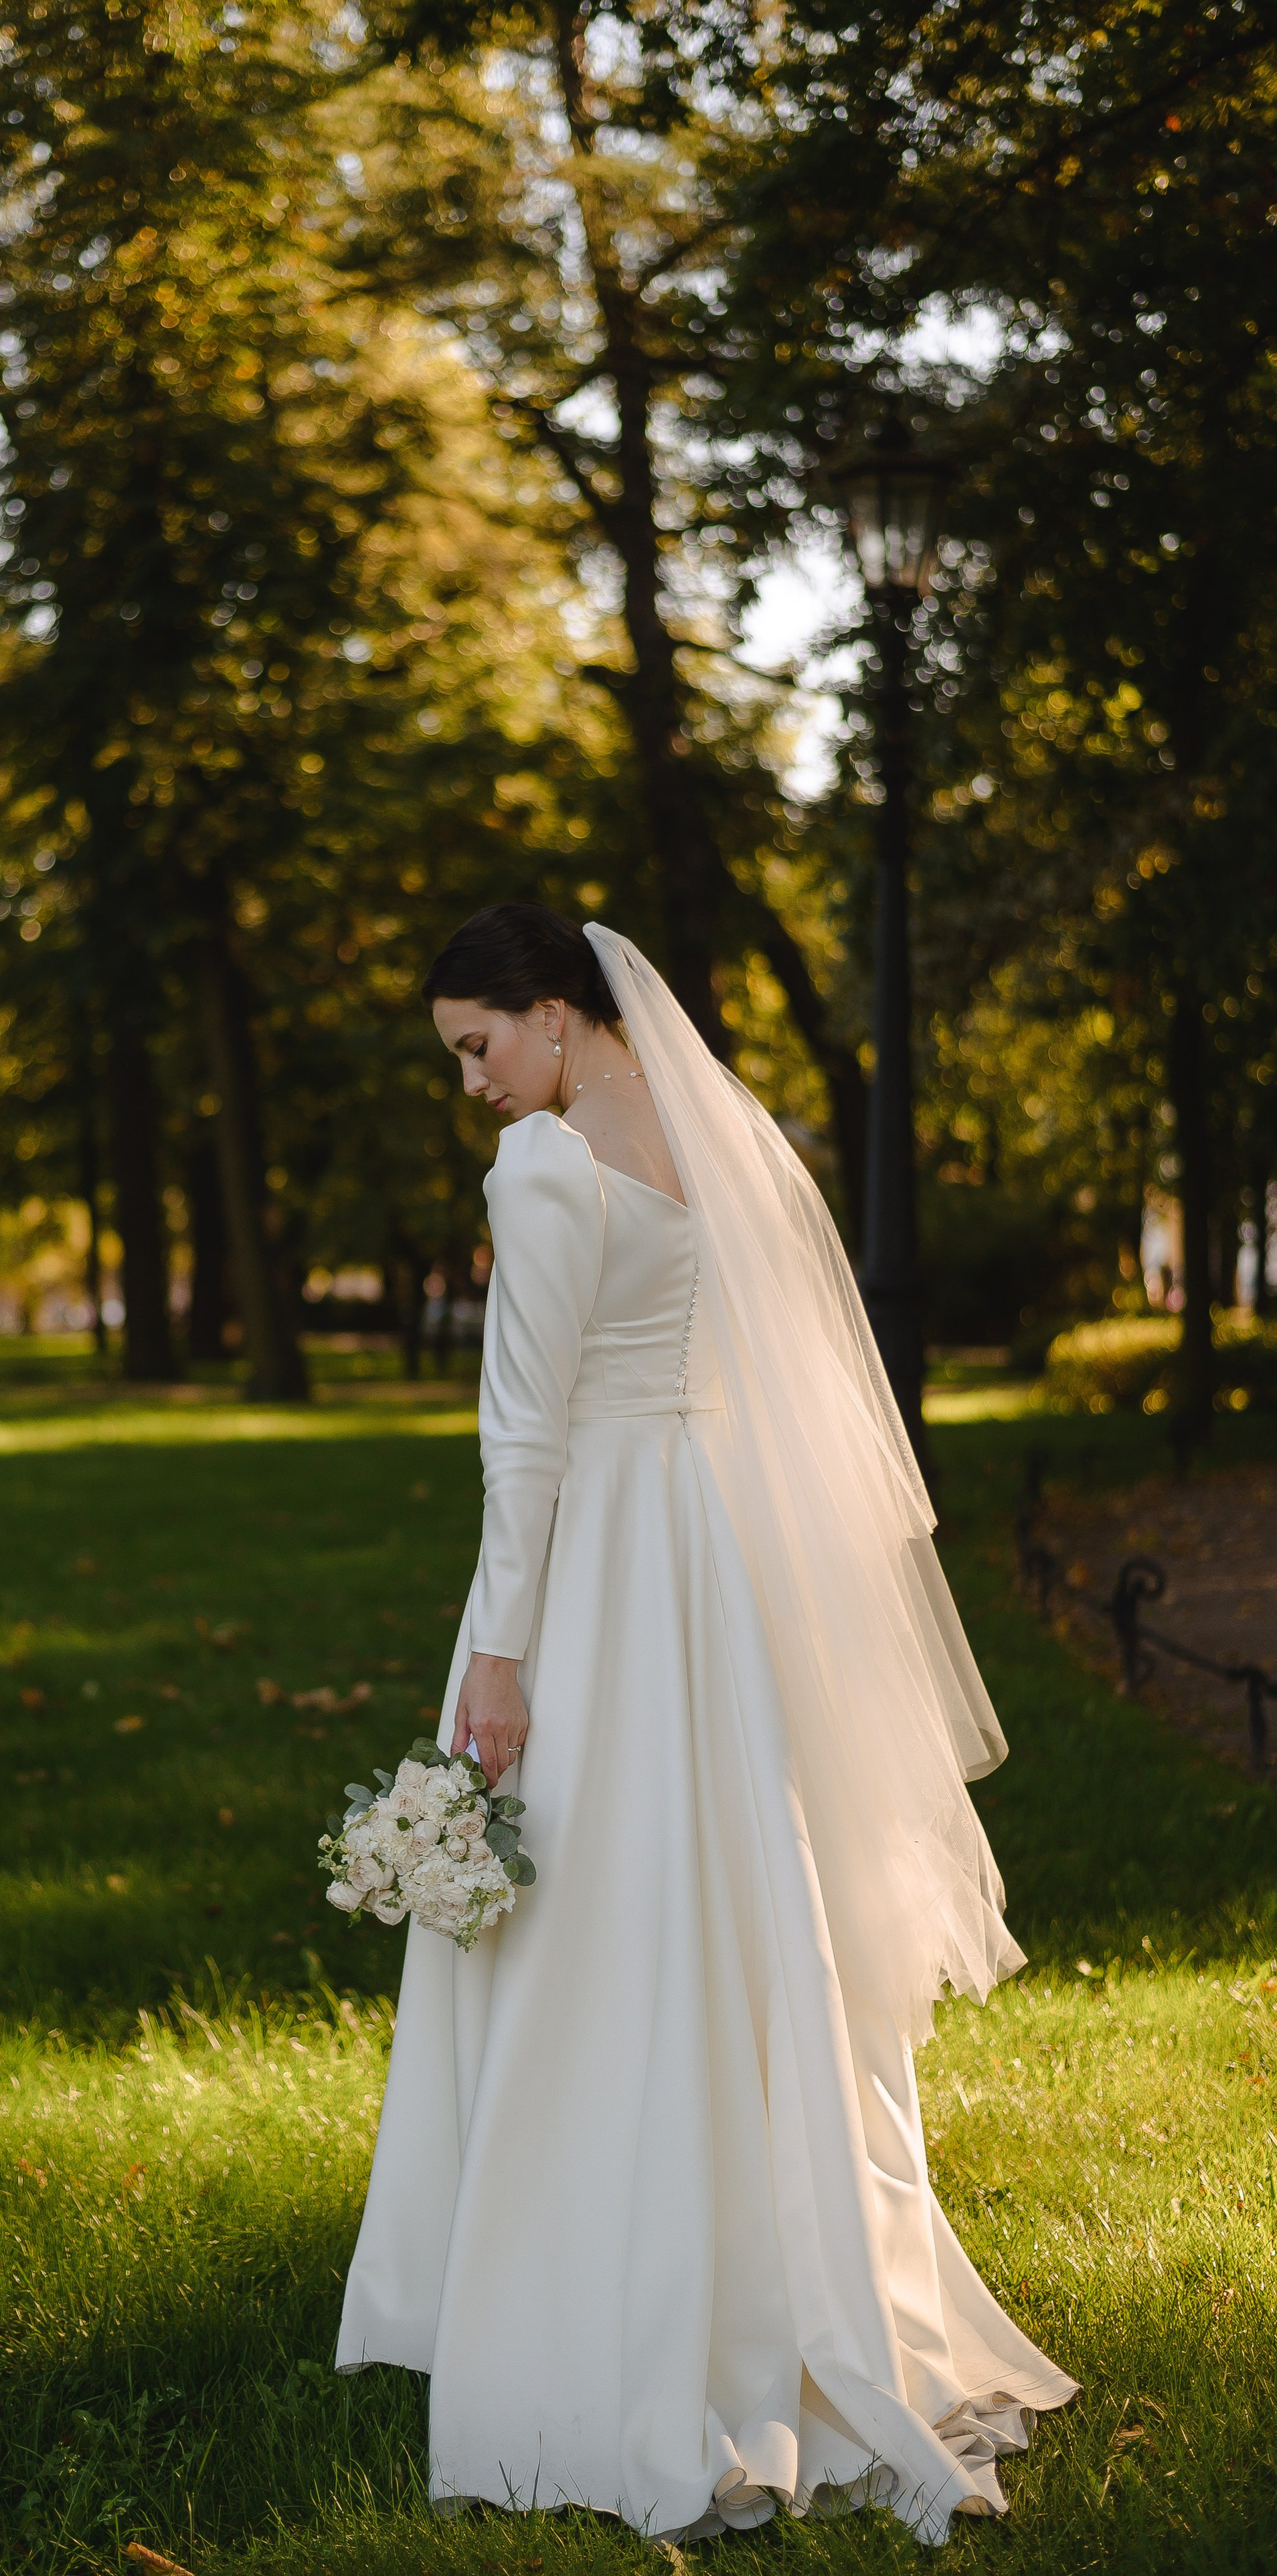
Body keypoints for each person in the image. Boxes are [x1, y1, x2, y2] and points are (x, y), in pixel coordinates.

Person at [335, 904, 1076, 2547]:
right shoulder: (699, 1136)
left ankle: (594, 2297)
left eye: (477, 1045)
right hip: (703, 1556)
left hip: (594, 1559)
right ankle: (768, 2252)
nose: (473, 1085)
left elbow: (521, 1434)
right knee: (731, 1898)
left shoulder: (541, 1170)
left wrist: (503, 1650)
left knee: (589, 1906)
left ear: (549, 1014)